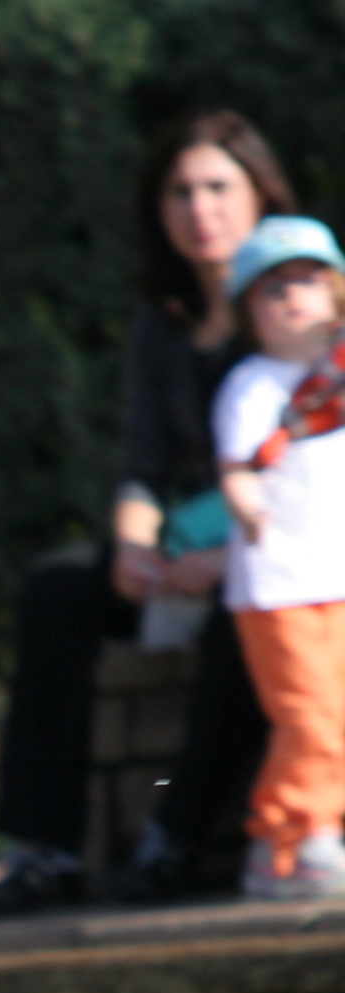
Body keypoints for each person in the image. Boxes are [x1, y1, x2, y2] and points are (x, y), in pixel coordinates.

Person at [0, 113, 292, 917]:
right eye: (179, 192)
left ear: (260, 196)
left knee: (249, 603)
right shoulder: (162, 329)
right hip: (193, 543)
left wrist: (230, 557)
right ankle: (45, 849)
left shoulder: (298, 310)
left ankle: (174, 837)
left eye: (217, 187)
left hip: (287, 546)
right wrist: (134, 548)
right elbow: (144, 471)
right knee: (59, 586)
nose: (199, 208)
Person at [212, 216, 345, 899]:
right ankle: (283, 841)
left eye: (307, 282)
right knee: (308, 715)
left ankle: (316, 831)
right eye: (273, 289)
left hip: (336, 578)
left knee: (337, 714)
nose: (293, 298)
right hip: (278, 585)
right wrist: (248, 508)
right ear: (248, 312)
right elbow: (236, 467)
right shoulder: (253, 387)